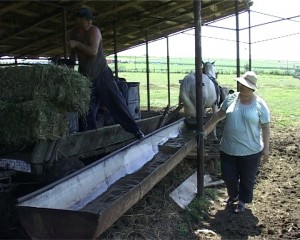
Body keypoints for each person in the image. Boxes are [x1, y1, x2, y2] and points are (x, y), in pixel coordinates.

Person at [69, 7, 144, 139]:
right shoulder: (74, 35)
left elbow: (93, 51)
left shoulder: (94, 31)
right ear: (79, 20)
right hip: (86, 79)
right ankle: (90, 140)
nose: (89, 22)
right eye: (86, 20)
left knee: (116, 103)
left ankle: (136, 131)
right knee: (87, 112)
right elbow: (73, 56)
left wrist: (77, 44)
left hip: (102, 75)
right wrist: (69, 68)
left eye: (90, 20)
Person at [203, 71, 270, 213]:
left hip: (250, 150)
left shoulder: (260, 104)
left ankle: (242, 201)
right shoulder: (231, 99)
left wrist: (266, 148)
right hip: (228, 148)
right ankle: (233, 196)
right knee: (228, 175)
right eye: (241, 84)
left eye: (245, 85)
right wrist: (205, 129)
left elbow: (265, 127)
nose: (241, 86)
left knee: (247, 179)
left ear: (252, 88)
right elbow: (218, 115)